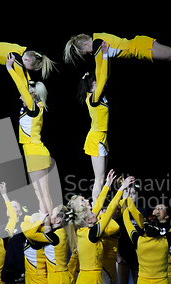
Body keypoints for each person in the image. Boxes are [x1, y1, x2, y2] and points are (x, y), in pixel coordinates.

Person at [63, 173, 134, 284]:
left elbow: (99, 207)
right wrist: (119, 190)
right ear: (87, 219)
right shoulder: (94, 232)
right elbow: (109, 210)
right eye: (93, 214)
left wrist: (107, 186)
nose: (96, 213)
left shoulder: (81, 230)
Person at [6, 53, 53, 217]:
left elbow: (21, 86)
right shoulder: (31, 107)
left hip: (35, 151)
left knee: (44, 192)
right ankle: (45, 219)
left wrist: (9, 69)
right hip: (29, 151)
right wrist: (19, 68)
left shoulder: (34, 107)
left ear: (32, 95)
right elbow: (24, 84)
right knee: (38, 192)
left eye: (25, 94)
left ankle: (50, 223)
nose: (20, 97)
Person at [64, 32, 171, 73]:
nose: (88, 55)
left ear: (86, 44)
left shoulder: (98, 43)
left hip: (141, 47)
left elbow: (101, 70)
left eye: (85, 53)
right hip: (140, 47)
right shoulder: (97, 38)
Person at [77, 41, 110, 204]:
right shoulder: (94, 97)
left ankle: (99, 206)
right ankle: (96, 208)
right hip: (96, 138)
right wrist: (103, 55)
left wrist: (105, 58)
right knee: (99, 178)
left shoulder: (99, 96)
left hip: (101, 137)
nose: (101, 82)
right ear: (93, 84)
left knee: (102, 178)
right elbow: (103, 76)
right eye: (98, 81)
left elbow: (105, 75)